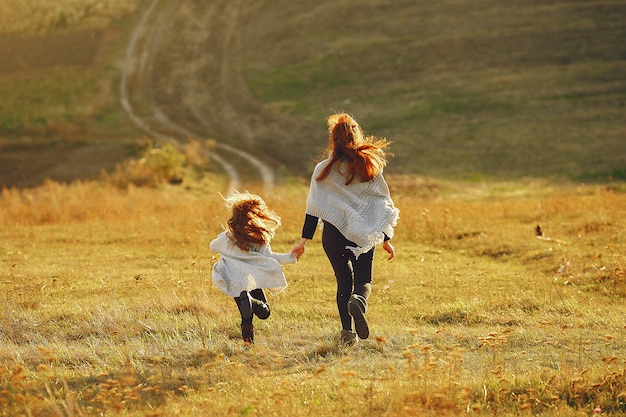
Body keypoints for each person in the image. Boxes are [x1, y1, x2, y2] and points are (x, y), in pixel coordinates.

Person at [290, 113, 399, 347]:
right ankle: (359, 300)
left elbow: (313, 209)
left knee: (343, 281)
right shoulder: (369, 164)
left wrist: (303, 241)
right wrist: (385, 238)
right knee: (363, 280)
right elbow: (382, 202)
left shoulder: (323, 169)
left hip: (333, 235)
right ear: (357, 135)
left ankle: (347, 335)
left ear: (333, 139)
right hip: (363, 234)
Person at [210, 191, 297, 345]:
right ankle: (252, 301)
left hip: (233, 279)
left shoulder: (227, 237)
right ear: (257, 215)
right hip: (253, 279)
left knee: (246, 314)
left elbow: (213, 246)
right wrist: (291, 257)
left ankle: (248, 344)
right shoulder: (260, 238)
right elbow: (269, 258)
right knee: (264, 313)